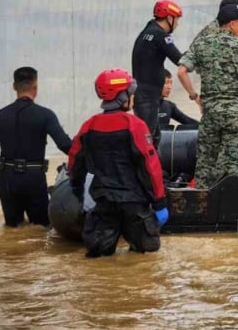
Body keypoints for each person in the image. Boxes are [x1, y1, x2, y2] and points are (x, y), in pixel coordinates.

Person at [67, 69, 169, 257]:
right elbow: (150, 166)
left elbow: (74, 162)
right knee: (142, 257)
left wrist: (76, 188)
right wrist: (160, 202)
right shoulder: (135, 126)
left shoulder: (88, 126)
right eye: (130, 93)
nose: (132, 97)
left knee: (99, 258)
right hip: (135, 205)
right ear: (122, 96)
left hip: (104, 202)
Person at [178, 2, 238, 189]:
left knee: (206, 162)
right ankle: (229, 203)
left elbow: (182, 71)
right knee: (235, 162)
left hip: (210, 113)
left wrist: (194, 96)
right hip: (234, 114)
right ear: (232, 24)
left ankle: (201, 203)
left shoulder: (201, 44)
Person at [0, 67, 72, 227]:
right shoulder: (45, 115)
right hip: (33, 178)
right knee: (42, 230)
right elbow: (65, 145)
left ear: (14, 87)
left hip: (7, 179)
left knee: (13, 230)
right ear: (35, 87)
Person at [132, 0, 190, 148]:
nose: (177, 24)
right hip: (148, 97)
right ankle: (145, 171)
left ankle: (155, 170)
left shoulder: (147, 31)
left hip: (143, 95)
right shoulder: (160, 35)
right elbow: (180, 59)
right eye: (176, 19)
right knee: (148, 140)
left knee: (152, 137)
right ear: (169, 18)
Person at [177, 0, 238, 101]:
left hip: (210, 102)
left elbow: (182, 70)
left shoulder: (204, 34)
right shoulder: (232, 35)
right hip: (233, 102)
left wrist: (194, 96)